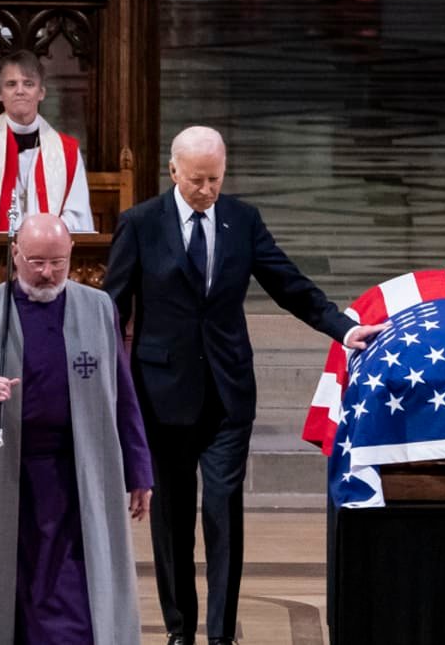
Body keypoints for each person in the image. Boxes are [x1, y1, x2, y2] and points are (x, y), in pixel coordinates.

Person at [103, 126, 385, 645]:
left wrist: (343, 328)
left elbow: (288, 284)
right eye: (196, 180)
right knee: (172, 520)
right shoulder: (140, 224)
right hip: (162, 395)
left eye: (215, 179)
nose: (207, 189)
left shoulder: (243, 221)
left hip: (228, 392)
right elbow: (110, 306)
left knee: (222, 509)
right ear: (173, 172)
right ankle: (180, 631)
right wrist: (101, 380)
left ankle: (220, 635)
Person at [0, 213, 152, 644]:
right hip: (9, 477)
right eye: (36, 262)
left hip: (79, 478)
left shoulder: (98, 308)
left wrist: (139, 471)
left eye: (57, 262)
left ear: (72, 253)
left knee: (78, 592)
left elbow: (122, 394)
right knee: (13, 587)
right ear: (15, 254)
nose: (47, 273)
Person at [0, 50, 93, 233]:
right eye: (11, 84)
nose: (20, 91)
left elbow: (77, 214)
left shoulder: (67, 151)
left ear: (41, 93)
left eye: (28, 84)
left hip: (47, 255)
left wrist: (42, 239)